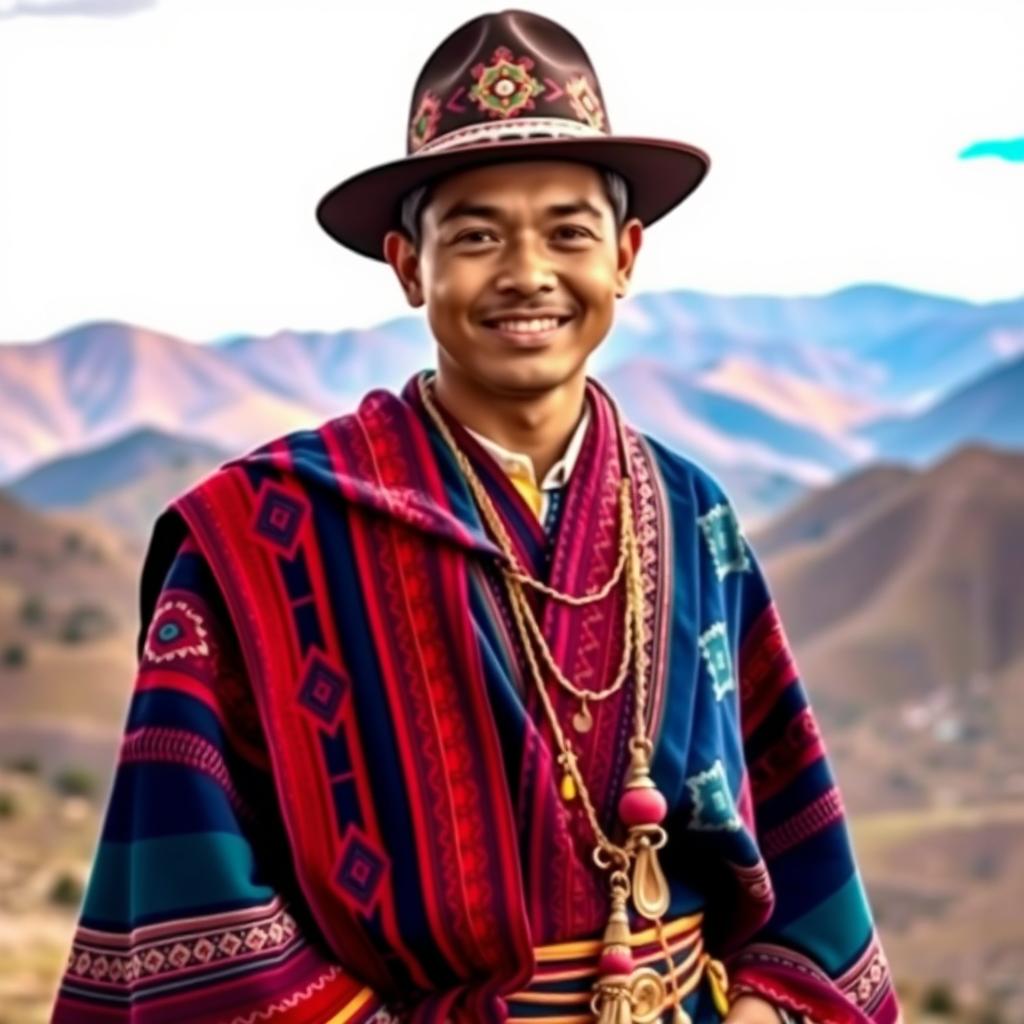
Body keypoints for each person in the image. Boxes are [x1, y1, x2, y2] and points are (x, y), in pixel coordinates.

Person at [51, 9, 901, 1024]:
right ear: (409, 265)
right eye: (478, 235)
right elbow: (194, 893)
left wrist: (764, 1009)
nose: (527, 274)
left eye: (568, 232)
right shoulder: (259, 537)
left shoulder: (689, 517)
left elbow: (793, 842)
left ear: (624, 258)